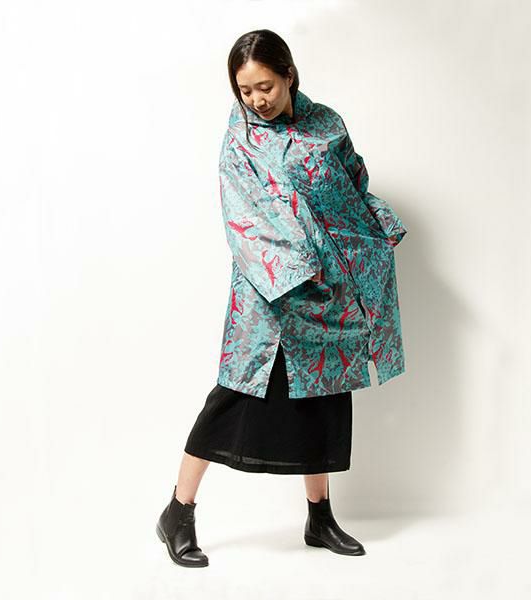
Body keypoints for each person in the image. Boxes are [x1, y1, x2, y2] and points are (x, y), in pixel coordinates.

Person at [155, 29, 407, 568]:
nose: (256, 100)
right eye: (244, 91)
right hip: (271, 298)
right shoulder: (240, 140)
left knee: (323, 399)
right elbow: (243, 217)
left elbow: (353, 186)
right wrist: (294, 275)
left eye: (264, 87)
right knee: (232, 398)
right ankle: (178, 511)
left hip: (330, 291)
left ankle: (320, 518)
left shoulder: (327, 125)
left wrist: (376, 227)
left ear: (289, 75)